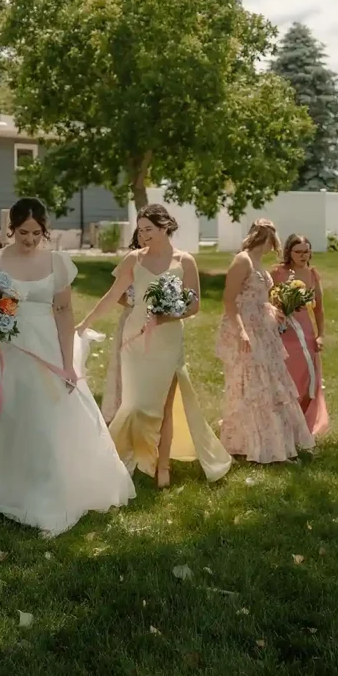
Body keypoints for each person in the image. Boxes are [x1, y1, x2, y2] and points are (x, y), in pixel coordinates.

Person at [0, 197, 135, 535]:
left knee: (45, 417)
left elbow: (64, 312)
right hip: (6, 350)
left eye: (36, 233)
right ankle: (3, 483)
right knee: (8, 415)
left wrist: (68, 361)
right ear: (11, 229)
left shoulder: (57, 263)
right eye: (23, 232)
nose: (29, 239)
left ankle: (46, 488)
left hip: (45, 347)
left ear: (45, 231)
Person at [78, 204, 231, 488]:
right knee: (133, 405)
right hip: (134, 339)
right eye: (141, 229)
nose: (144, 234)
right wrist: (84, 323)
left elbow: (195, 305)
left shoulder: (185, 261)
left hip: (169, 340)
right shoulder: (133, 260)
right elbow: (112, 296)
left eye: (149, 229)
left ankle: (162, 467)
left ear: (164, 228)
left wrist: (167, 315)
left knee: (164, 406)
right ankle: (114, 459)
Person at [217, 219, 315, 463]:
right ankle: (246, 443)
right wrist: (241, 331)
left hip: (263, 327)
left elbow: (258, 296)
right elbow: (229, 299)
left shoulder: (259, 262)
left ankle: (272, 445)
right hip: (246, 327)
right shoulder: (243, 260)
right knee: (250, 383)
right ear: (267, 238)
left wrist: (274, 309)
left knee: (270, 383)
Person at [271, 234, 329, 436]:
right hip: (283, 331)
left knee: (306, 373)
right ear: (289, 252)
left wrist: (320, 335)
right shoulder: (278, 272)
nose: (303, 255)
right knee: (288, 373)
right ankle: (282, 418)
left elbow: (319, 309)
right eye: (299, 252)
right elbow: (267, 300)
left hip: (305, 331)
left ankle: (305, 419)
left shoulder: (312, 274)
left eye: (307, 251)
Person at [100, 228, 139, 425]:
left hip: (159, 324)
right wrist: (136, 304)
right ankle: (121, 414)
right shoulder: (131, 260)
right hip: (131, 319)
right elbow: (117, 295)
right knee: (125, 368)